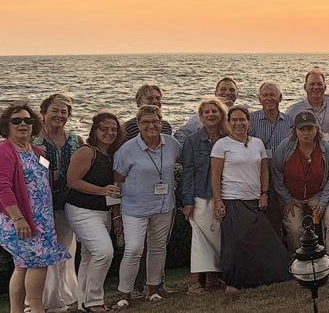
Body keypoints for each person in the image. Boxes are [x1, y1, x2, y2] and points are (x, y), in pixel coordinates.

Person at [0, 102, 71, 313]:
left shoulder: (37, 151)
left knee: (23, 264)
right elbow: (1, 188)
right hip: (14, 218)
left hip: (40, 218)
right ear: (6, 126)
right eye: (16, 121)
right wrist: (18, 218)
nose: (23, 124)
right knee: (37, 261)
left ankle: (16, 311)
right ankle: (36, 309)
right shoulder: (1, 152)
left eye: (28, 120)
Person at [210, 105, 289, 290]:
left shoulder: (257, 143)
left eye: (242, 119)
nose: (239, 123)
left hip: (255, 200)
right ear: (228, 123)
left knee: (266, 241)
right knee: (236, 243)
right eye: (234, 120)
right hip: (232, 200)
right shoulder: (221, 145)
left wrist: (264, 193)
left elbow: (264, 171)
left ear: (249, 121)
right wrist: (218, 201)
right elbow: (215, 175)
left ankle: (263, 278)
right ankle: (233, 283)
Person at [113, 105, 182, 308]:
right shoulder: (127, 150)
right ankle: (124, 293)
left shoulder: (172, 144)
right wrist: (116, 212)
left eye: (155, 121)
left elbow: (183, 162)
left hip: (164, 206)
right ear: (138, 124)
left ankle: (153, 288)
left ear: (161, 122)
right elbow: (117, 181)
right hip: (135, 208)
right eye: (145, 122)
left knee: (158, 247)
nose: (150, 126)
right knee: (134, 248)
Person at [64, 112, 125, 312]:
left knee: (89, 256)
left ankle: (83, 301)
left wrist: (116, 214)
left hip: (103, 211)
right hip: (81, 209)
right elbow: (72, 181)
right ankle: (94, 300)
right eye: (104, 128)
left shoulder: (113, 155)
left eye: (113, 129)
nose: (109, 132)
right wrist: (102, 191)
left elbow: (115, 187)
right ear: (95, 130)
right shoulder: (86, 152)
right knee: (104, 252)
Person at [272, 111, 329, 261]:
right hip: (292, 196)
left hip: (318, 194)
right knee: (295, 229)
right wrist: (286, 199)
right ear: (295, 130)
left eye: (310, 128)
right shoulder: (285, 147)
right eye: (302, 129)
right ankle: (298, 259)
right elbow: (277, 173)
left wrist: (323, 202)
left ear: (316, 129)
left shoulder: (325, 148)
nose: (306, 133)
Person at [33, 94, 81, 312]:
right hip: (39, 205)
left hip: (67, 203)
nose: (60, 115)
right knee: (43, 252)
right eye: (55, 110)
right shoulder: (33, 140)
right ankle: (41, 300)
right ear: (43, 113)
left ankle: (62, 296)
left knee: (65, 249)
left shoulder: (75, 140)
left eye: (64, 111)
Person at [180, 98, 229, 295]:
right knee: (200, 239)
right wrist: (188, 202)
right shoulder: (192, 141)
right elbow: (187, 172)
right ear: (200, 117)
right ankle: (194, 281)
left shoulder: (228, 138)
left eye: (214, 111)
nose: (210, 115)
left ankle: (212, 278)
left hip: (224, 195)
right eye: (206, 112)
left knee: (217, 237)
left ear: (221, 114)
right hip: (201, 196)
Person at [248, 82, 293, 234]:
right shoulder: (251, 120)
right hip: (258, 175)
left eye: (272, 95)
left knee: (281, 215)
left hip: (283, 176)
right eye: (265, 95)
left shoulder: (289, 122)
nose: (269, 98)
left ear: (280, 97)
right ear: (259, 99)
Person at [175, 77, 239, 143]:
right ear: (216, 93)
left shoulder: (241, 117)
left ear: (237, 93)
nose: (228, 92)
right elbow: (180, 136)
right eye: (223, 89)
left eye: (232, 90)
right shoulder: (199, 118)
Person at [287, 68, 329, 139]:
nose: (316, 87)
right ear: (305, 87)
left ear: (325, 87)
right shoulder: (293, 111)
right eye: (312, 84)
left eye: (319, 84)